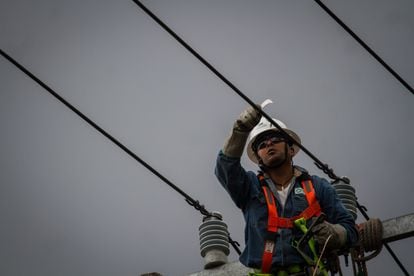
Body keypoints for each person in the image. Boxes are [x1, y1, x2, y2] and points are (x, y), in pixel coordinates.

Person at [215, 104, 358, 275]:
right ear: (258, 158)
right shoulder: (250, 187)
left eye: (275, 140)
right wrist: (240, 131)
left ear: (291, 149)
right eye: (262, 145)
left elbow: (351, 230)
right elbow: (225, 167)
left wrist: (335, 234)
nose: (269, 145)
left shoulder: (317, 187)